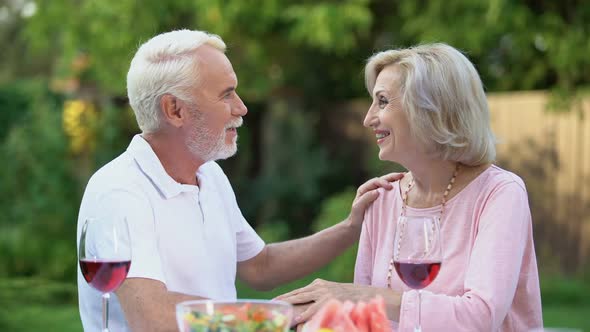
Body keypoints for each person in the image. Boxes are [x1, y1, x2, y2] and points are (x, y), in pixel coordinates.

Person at [76, 29, 402, 332]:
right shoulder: (121, 192)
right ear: (175, 110)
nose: (242, 108)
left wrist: (352, 227)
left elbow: (260, 266)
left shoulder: (208, 174)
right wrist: (269, 317)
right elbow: (154, 318)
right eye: (226, 94)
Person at [277, 43, 543, 331]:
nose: (368, 119)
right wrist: (303, 316)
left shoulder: (500, 193)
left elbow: (480, 316)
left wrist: (360, 296)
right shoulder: (382, 198)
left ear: (430, 109)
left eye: (382, 101)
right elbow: (367, 322)